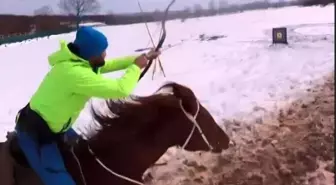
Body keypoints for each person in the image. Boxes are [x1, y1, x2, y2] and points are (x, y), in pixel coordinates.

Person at [13, 26, 161, 185]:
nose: (105, 54)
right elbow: (121, 89)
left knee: (87, 156)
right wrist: (136, 67)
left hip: (57, 127)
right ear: (91, 54)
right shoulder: (75, 74)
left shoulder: (78, 61)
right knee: (59, 178)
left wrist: (142, 57)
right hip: (37, 134)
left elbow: (106, 65)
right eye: (102, 51)